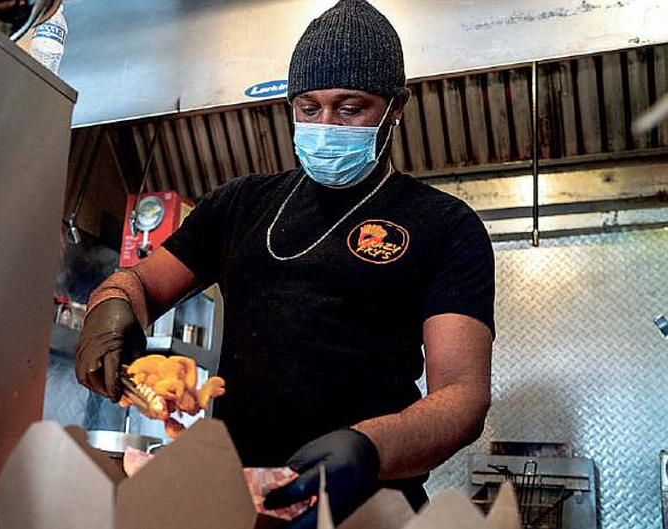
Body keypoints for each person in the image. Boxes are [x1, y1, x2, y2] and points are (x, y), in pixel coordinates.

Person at [75, 0, 495, 526]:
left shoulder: (446, 225)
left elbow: (463, 396)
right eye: (308, 106)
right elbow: (137, 282)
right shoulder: (240, 205)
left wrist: (368, 450)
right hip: (239, 501)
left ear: (397, 107)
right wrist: (109, 309)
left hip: (370, 503)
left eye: (350, 107)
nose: (325, 125)